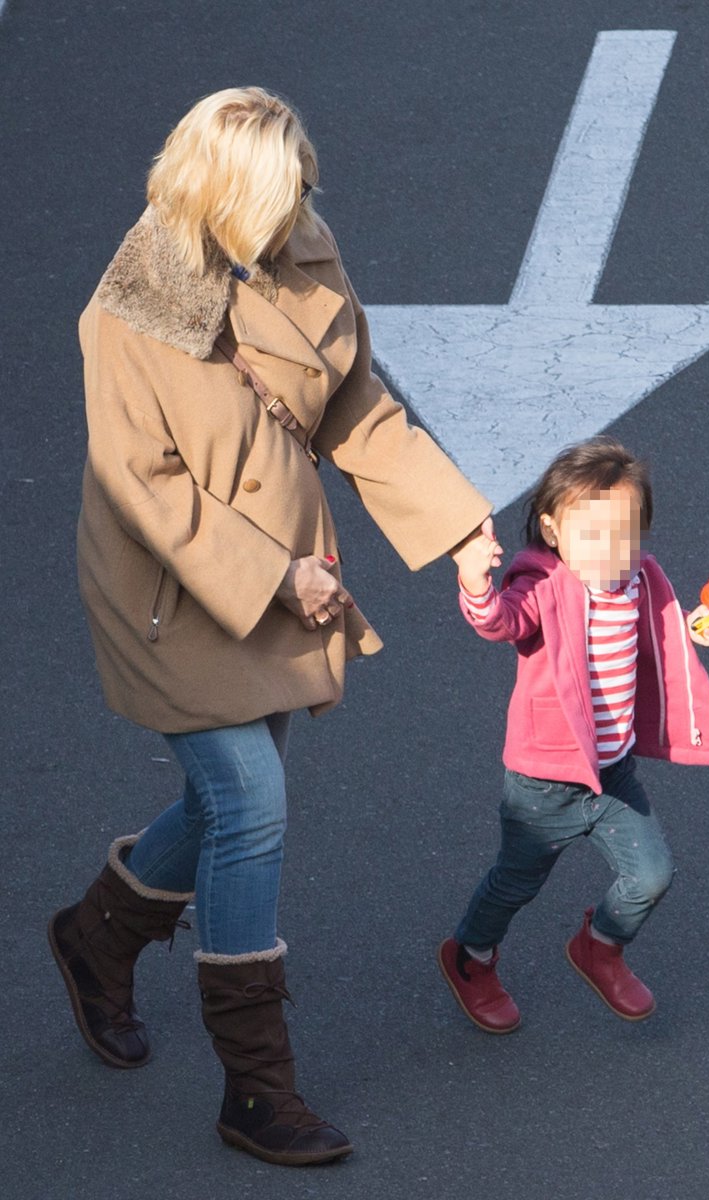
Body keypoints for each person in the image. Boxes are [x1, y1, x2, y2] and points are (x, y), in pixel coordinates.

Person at [48, 87, 495, 1168]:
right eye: (282, 191)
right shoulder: (130, 310)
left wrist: (460, 528)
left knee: (227, 797)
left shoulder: (303, 248)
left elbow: (353, 407)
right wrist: (274, 575)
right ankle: (257, 1088)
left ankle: (99, 935)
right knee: (250, 801)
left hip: (290, 576)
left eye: (303, 187)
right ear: (222, 192)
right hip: (176, 589)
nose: (301, 208)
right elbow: (144, 486)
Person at [438, 437, 709, 1034]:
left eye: (626, 535)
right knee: (516, 882)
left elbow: (654, 630)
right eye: (593, 533)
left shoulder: (639, 580)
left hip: (612, 771)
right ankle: (470, 956)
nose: (611, 549)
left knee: (652, 875)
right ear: (552, 530)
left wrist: (693, 626)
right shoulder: (542, 585)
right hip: (544, 783)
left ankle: (599, 946)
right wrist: (476, 584)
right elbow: (501, 622)